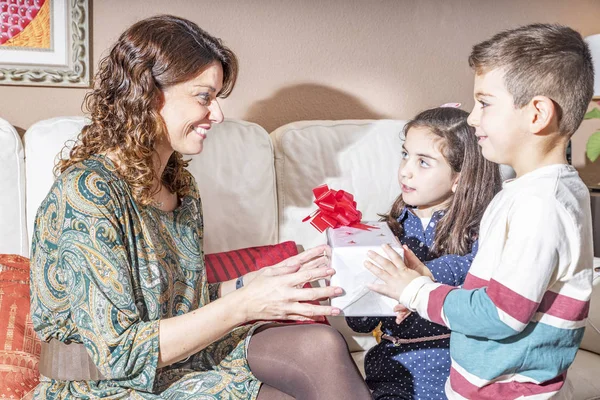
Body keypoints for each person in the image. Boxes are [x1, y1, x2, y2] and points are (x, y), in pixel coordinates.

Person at [29, 15, 372, 400]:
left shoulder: (180, 185)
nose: (218, 115)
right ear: (147, 93)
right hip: (101, 384)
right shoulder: (87, 193)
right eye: (204, 97)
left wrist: (252, 283)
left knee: (320, 344)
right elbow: (117, 353)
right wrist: (244, 304)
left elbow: (178, 304)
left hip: (177, 358)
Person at [365, 23, 595, 399]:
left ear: (537, 114)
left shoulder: (541, 205)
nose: (472, 118)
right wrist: (421, 290)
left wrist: (416, 290)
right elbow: (491, 289)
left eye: (485, 104)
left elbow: (501, 314)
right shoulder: (525, 193)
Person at [346, 106, 501, 399]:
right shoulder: (388, 232)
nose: (406, 170)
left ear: (459, 177)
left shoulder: (480, 228)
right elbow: (363, 324)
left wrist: (424, 274)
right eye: (405, 155)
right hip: (392, 366)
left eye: (424, 162)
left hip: (451, 360)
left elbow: (481, 267)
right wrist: (349, 281)